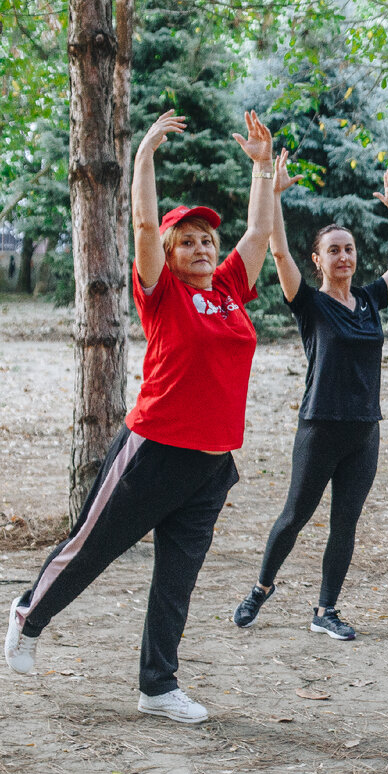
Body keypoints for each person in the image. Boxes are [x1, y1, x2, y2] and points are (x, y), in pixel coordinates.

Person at [4, 109, 275, 723]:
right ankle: (28, 612)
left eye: (208, 239)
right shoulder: (162, 292)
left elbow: (257, 236)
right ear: (172, 255)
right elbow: (144, 225)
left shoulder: (229, 290)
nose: (203, 248)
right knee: (91, 549)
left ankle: (158, 686)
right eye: (190, 242)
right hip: (152, 451)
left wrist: (261, 171)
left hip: (211, 466)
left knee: (176, 580)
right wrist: (144, 156)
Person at [232, 159, 388, 639]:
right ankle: (260, 587)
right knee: (295, 515)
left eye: (349, 250)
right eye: (333, 250)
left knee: (345, 525)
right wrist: (274, 196)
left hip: (364, 431)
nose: (343, 257)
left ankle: (326, 611)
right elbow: (277, 254)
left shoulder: (370, 300)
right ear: (317, 259)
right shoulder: (309, 303)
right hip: (319, 426)